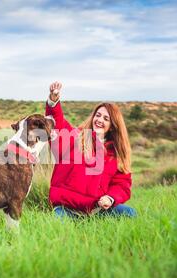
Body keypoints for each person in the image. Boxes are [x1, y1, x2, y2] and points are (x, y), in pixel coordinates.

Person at [45, 81, 137, 219]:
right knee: (58, 223)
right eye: (98, 115)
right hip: (66, 209)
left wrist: (110, 198)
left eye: (106, 118)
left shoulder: (116, 154)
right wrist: (53, 102)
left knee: (130, 214)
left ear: (112, 126)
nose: (100, 120)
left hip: (97, 211)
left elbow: (121, 184)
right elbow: (58, 125)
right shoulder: (75, 137)